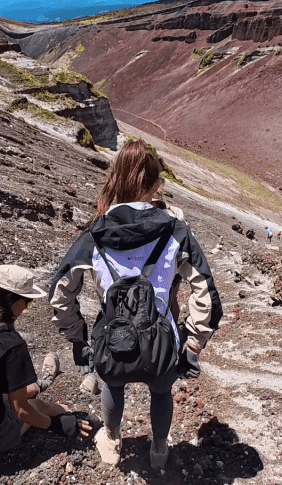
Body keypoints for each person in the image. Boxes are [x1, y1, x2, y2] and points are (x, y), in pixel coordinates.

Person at [49, 139, 223, 469]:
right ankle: (159, 451)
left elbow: (60, 292)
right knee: (161, 392)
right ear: (156, 186)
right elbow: (207, 294)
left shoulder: (95, 233)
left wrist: (76, 339)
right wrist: (193, 344)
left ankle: (113, 442)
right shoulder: (176, 231)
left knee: (113, 384)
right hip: (162, 342)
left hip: (113, 340)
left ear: (116, 180)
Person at [0, 264, 96, 456]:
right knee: (37, 406)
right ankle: (70, 411)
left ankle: (41, 384)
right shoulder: (11, 343)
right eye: (27, 301)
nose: (27, 309)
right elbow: (21, 411)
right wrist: (57, 425)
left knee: (15, 393)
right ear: (11, 299)